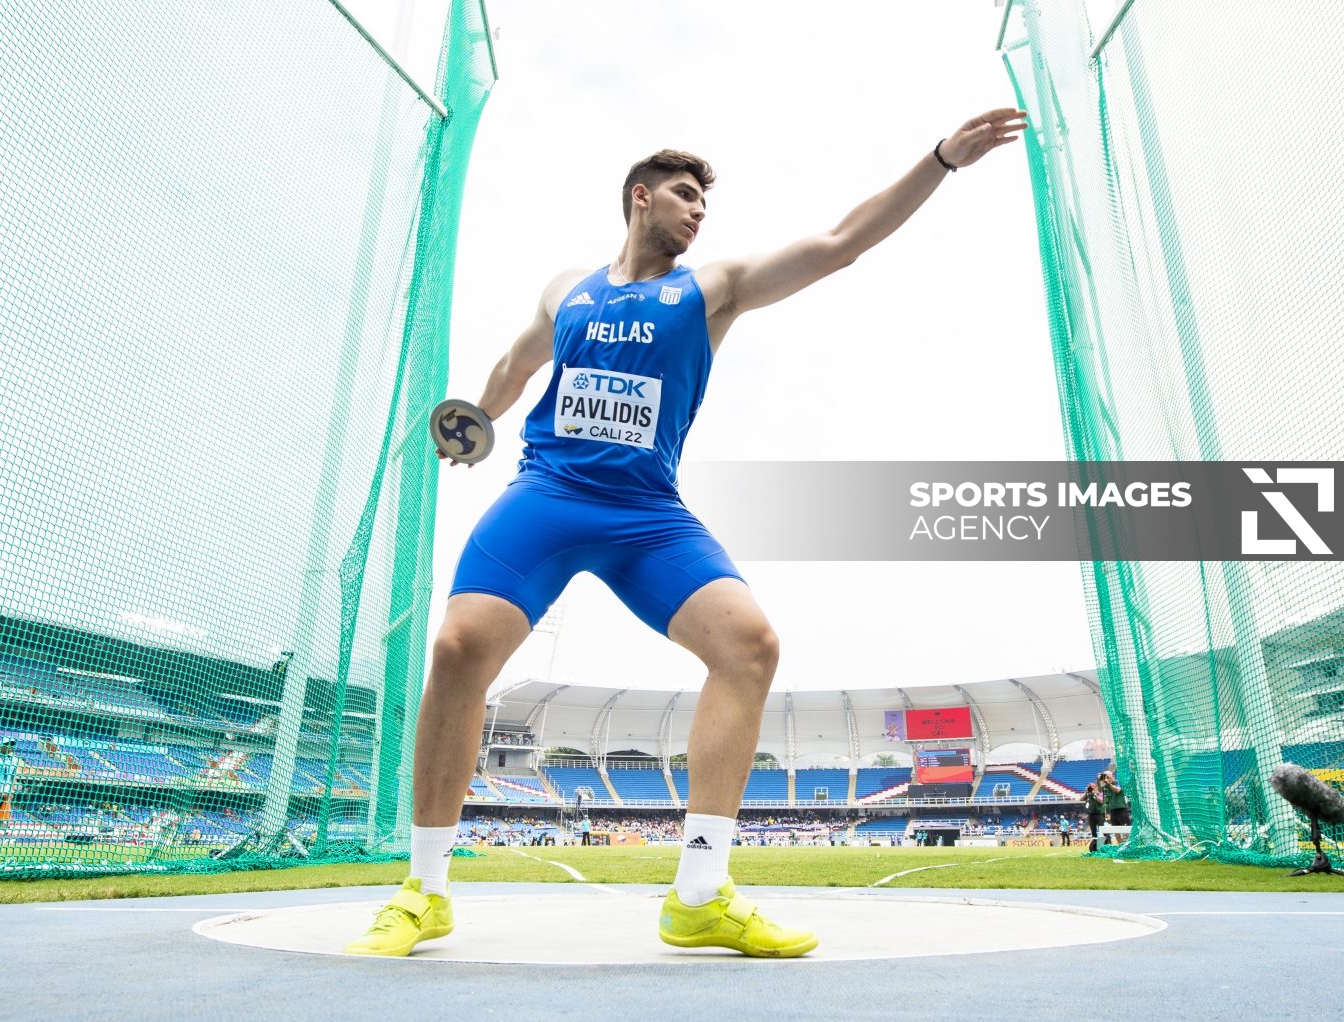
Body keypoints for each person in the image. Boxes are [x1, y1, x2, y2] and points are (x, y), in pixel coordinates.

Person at [346, 107, 1029, 959]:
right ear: (641, 198)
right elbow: (518, 364)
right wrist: (475, 420)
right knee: (457, 650)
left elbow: (841, 243)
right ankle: (424, 892)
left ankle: (701, 895)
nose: (699, 211)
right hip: (549, 493)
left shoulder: (712, 287)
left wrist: (941, 160)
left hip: (645, 512)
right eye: (684, 195)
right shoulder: (567, 290)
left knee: (749, 646)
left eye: (705, 201)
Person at [1101, 769, 1130, 841]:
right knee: (1116, 830)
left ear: (1112, 776)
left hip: (1122, 809)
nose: (1107, 779)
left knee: (1126, 829)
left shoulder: (1118, 782)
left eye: (1108, 777)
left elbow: (1117, 790)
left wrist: (1108, 784)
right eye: (1105, 777)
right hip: (1113, 810)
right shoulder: (1105, 786)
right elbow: (1099, 789)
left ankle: (1128, 843)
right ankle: (1119, 844)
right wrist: (1099, 780)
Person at [1083, 781, 1105, 850]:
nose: (1091, 789)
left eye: (1092, 787)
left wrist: (1094, 794)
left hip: (1099, 814)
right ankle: (1095, 847)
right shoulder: (1088, 795)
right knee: (1093, 832)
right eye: (1090, 787)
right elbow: (1080, 799)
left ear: (1095, 787)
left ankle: (1101, 846)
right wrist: (1086, 792)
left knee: (1101, 831)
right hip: (1091, 815)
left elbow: (1101, 801)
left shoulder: (1100, 793)